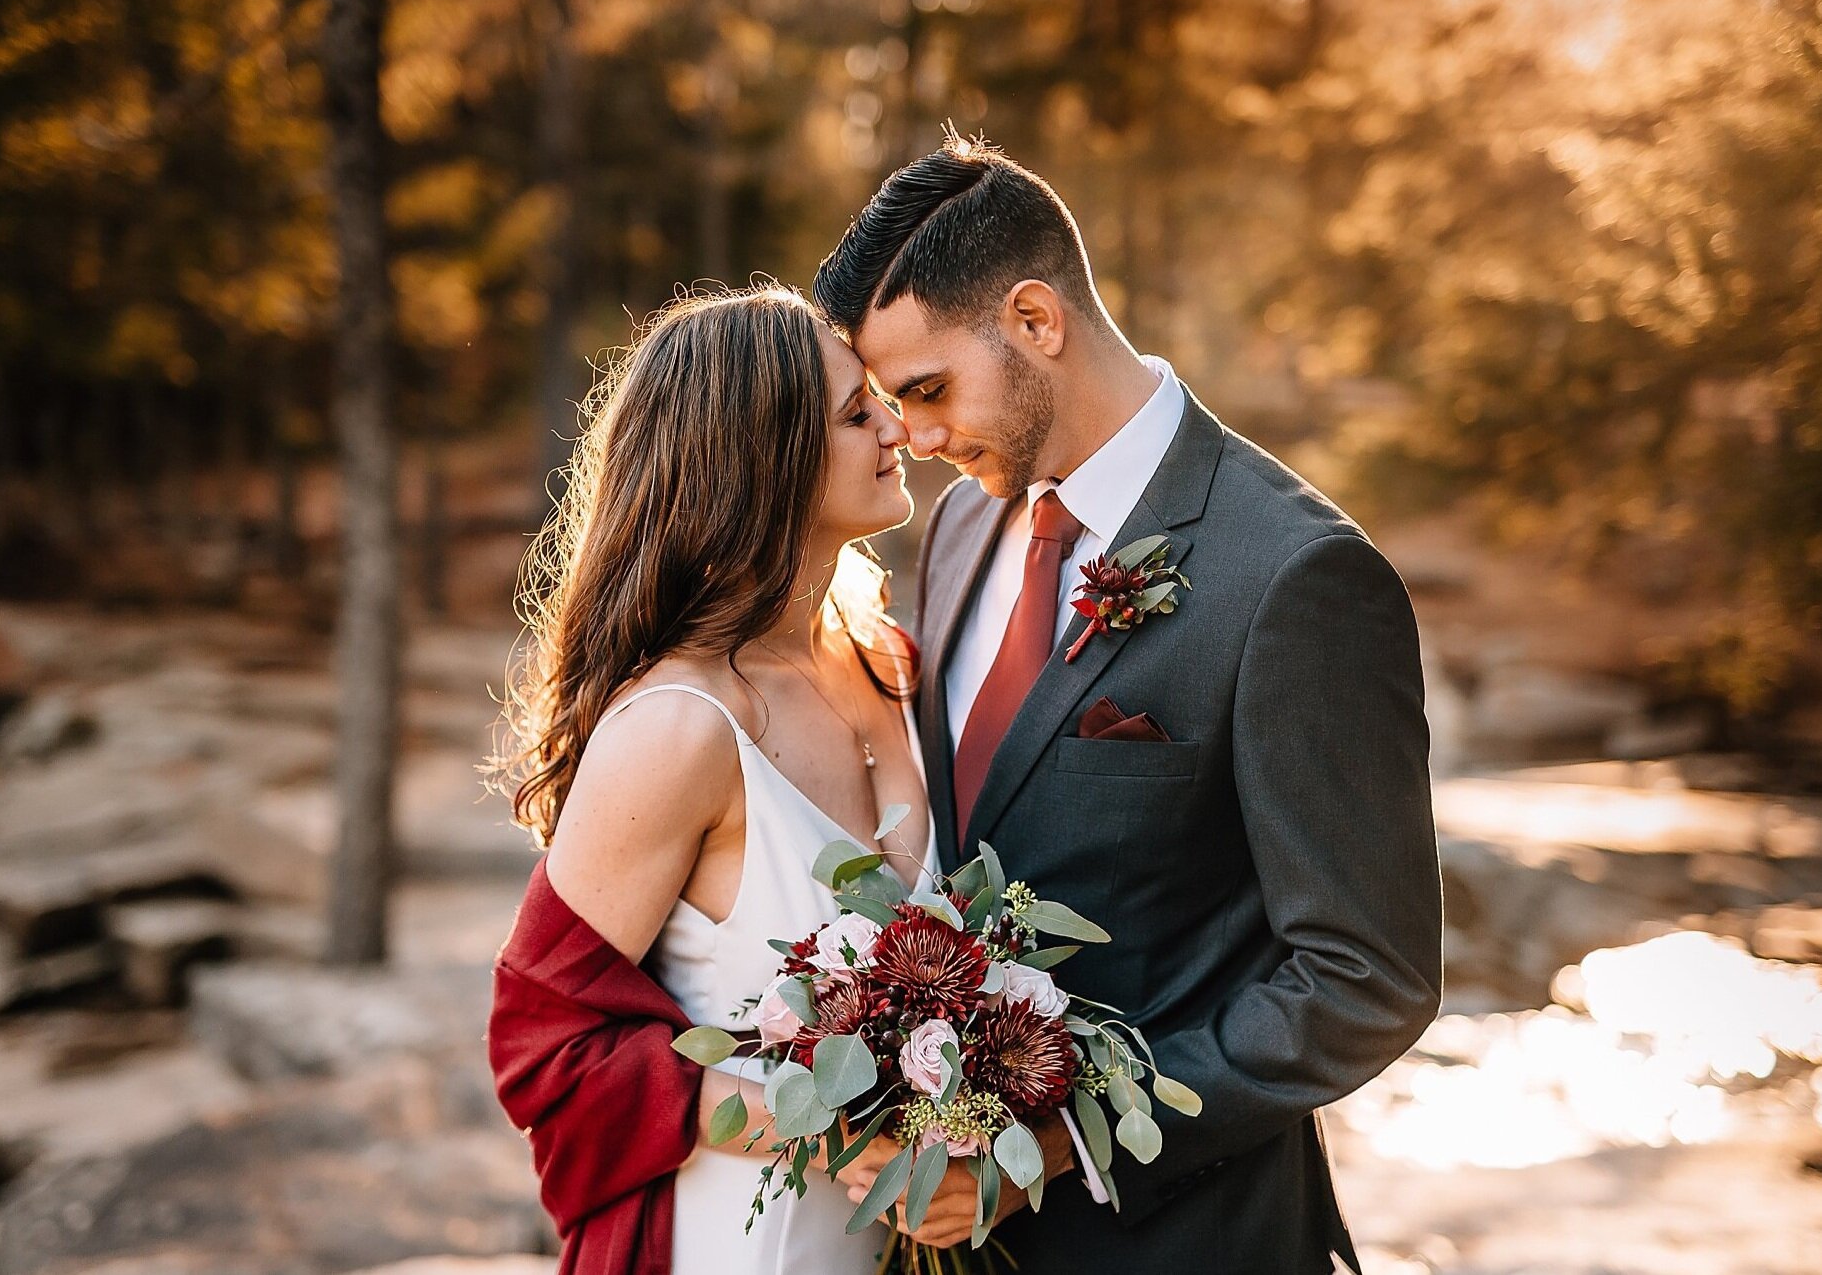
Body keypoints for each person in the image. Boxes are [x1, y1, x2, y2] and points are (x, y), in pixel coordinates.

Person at [814, 135, 1444, 1274]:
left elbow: (1365, 980)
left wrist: (1057, 1140)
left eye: (926, 390)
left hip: (1190, 1237)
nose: (910, 436)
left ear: (1036, 320)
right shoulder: (960, 528)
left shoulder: (1294, 577)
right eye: (888, 404)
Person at [484, 284, 935, 1274]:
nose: (894, 426)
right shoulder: (678, 729)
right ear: (758, 459)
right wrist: (837, 1131)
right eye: (856, 413)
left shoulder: (889, 663)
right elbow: (543, 1048)